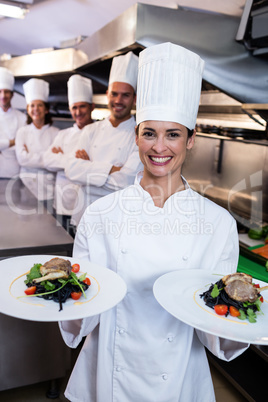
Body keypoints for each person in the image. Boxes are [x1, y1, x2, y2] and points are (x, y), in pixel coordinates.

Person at [59, 43, 248, 402]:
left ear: (191, 139)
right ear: (137, 136)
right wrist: (63, 293)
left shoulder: (217, 223)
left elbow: (217, 335)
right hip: (107, 372)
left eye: (173, 134)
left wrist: (248, 318)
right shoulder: (100, 215)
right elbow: (80, 319)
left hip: (177, 377)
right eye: (149, 133)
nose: (159, 147)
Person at [64, 51, 143, 227]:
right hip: (83, 218)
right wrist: (112, 169)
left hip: (116, 221)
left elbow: (127, 183)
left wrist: (87, 172)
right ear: (107, 94)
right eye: (114, 94)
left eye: (125, 95)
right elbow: (71, 170)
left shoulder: (140, 135)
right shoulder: (90, 130)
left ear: (135, 99)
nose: (118, 100)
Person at [44, 75, 95, 233]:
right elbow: (47, 161)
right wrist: (77, 161)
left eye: (82, 106)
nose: (78, 112)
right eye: (74, 107)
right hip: (61, 204)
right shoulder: (63, 134)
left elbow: (97, 167)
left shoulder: (98, 132)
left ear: (92, 106)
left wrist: (61, 157)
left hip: (86, 205)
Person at [15, 78, 59, 208]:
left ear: (46, 109)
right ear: (28, 109)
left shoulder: (56, 133)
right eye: (32, 105)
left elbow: (55, 164)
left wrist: (31, 156)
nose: (36, 109)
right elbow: (22, 160)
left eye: (40, 105)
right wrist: (47, 156)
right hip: (26, 188)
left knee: (47, 227)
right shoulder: (21, 132)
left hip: (48, 191)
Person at [0, 67, 26, 178]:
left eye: (6, 92)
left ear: (12, 94)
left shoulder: (22, 118)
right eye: (0, 91)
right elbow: (16, 144)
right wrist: (11, 142)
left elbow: (23, 145)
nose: (3, 96)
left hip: (14, 173)